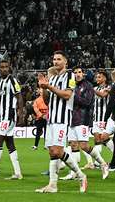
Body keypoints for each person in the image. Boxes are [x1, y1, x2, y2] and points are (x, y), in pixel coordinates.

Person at [35, 51, 87, 194]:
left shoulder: (70, 76)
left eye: (59, 59)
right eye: (54, 59)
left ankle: (81, 176)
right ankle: (52, 185)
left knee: (58, 151)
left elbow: (67, 95)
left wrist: (49, 87)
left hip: (62, 118)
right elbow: (46, 100)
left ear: (65, 62)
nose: (55, 61)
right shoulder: (52, 78)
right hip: (51, 119)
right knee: (52, 152)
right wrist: (43, 87)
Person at [64, 66, 109, 179]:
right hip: (71, 118)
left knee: (84, 146)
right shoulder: (71, 86)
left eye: (79, 72)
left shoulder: (88, 86)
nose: (77, 74)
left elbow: (87, 102)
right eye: (75, 72)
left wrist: (73, 95)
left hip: (83, 119)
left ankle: (103, 164)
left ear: (83, 74)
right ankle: (73, 173)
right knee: (73, 145)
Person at [91, 70, 112, 165]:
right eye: (96, 77)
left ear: (104, 78)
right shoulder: (95, 88)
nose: (97, 79)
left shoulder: (108, 87)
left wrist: (91, 89)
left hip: (104, 117)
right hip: (96, 117)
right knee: (97, 139)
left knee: (101, 139)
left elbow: (103, 95)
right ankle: (98, 162)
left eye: (99, 77)